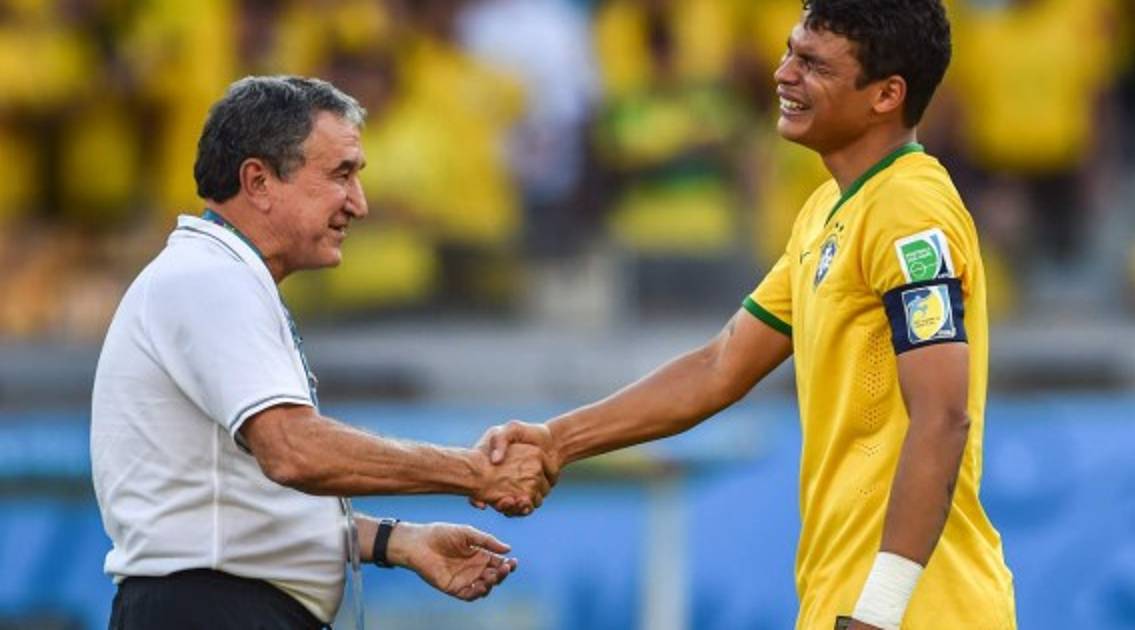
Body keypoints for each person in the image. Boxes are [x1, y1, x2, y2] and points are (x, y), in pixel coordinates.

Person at [475, 2, 1016, 628]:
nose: (784, 74)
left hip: (918, 610)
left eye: (814, 65)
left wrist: (880, 609)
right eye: (790, 52)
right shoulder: (829, 210)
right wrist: (558, 440)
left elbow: (944, 415)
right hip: (846, 597)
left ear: (886, 95)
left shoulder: (908, 210)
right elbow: (720, 365)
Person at [90, 76, 554, 629]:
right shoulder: (210, 277)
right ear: (258, 181)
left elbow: (243, 509)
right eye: (341, 175)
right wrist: (473, 472)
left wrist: (397, 541)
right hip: (210, 611)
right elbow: (292, 451)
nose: (359, 203)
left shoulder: (215, 275)